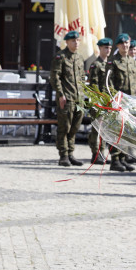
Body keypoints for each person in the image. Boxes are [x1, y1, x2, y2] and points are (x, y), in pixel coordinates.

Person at [49, 31, 86, 168]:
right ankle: (63, 155)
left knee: (75, 128)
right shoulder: (60, 57)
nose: (76, 43)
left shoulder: (79, 58)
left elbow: (82, 78)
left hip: (79, 98)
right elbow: (55, 77)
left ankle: (70, 154)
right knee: (64, 127)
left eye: (77, 40)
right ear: (67, 42)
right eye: (73, 41)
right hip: (67, 98)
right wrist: (60, 94)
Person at [104, 33, 136, 173]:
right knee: (116, 132)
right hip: (118, 103)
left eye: (127, 43)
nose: (125, 46)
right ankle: (115, 160)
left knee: (127, 133)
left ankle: (124, 158)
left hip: (131, 105)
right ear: (118, 46)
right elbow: (108, 83)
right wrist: (112, 101)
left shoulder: (133, 63)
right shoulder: (113, 62)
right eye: (122, 44)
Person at [87, 37, 113, 165]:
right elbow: (93, 85)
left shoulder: (110, 64)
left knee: (104, 130)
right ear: (100, 49)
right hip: (98, 101)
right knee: (97, 129)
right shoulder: (96, 65)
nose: (108, 50)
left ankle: (102, 153)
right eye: (105, 48)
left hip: (108, 101)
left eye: (109, 48)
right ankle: (95, 154)